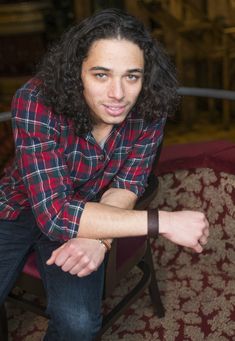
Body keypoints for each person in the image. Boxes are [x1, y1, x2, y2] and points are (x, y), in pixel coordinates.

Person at [0, 8, 209, 340]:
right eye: (101, 75)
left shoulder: (148, 105)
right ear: (76, 71)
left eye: (132, 76)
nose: (118, 94)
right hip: (19, 205)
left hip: (91, 211)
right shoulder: (36, 99)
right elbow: (54, 213)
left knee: (79, 325)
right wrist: (164, 222)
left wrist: (100, 237)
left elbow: (127, 184)